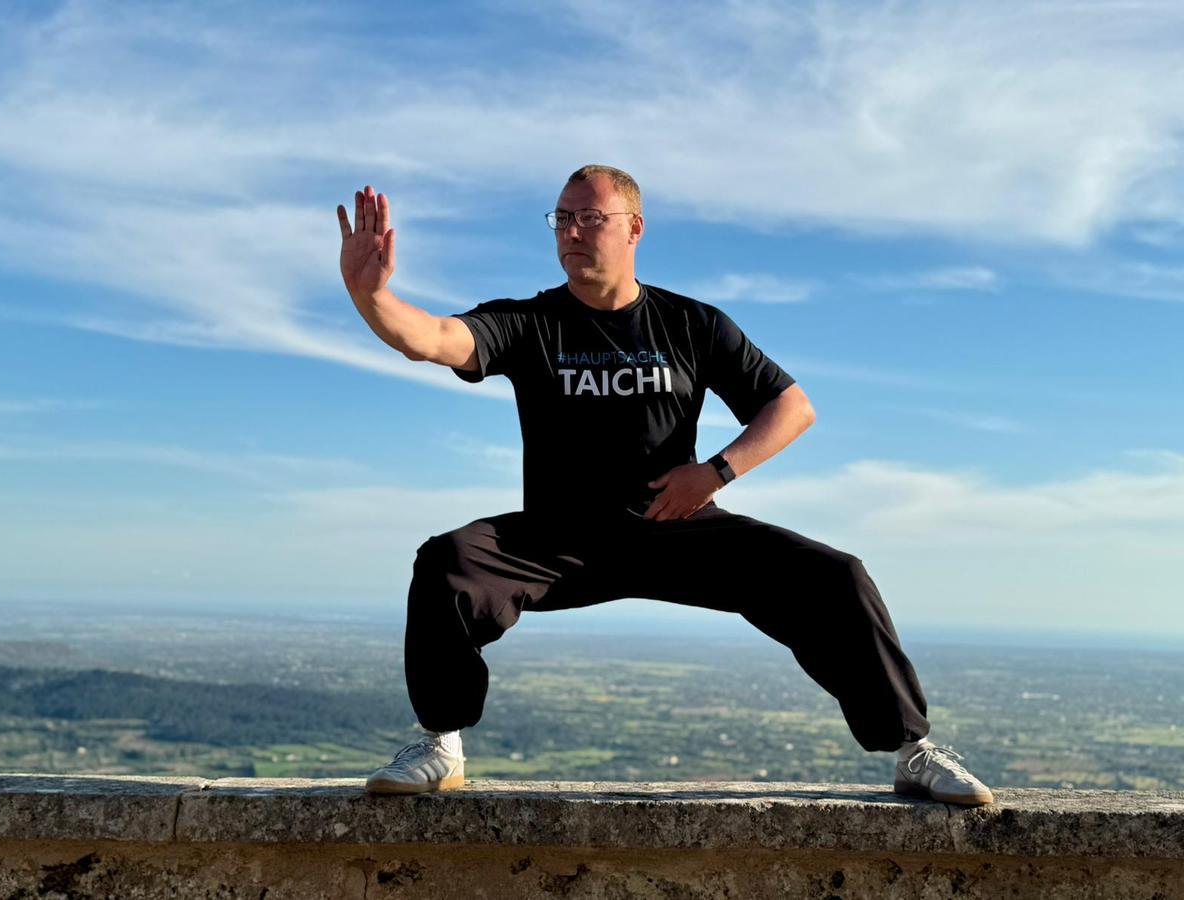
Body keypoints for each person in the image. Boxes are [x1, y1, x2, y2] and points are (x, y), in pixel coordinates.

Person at [336, 165, 994, 806]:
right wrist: (374, 298)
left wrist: (716, 472)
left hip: (675, 526)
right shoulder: (528, 321)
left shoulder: (691, 323)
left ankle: (912, 750)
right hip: (560, 536)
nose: (571, 231)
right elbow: (434, 339)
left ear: (634, 228)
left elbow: (792, 407)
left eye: (590, 217)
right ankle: (441, 743)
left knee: (834, 577)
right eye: (562, 218)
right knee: (449, 563)